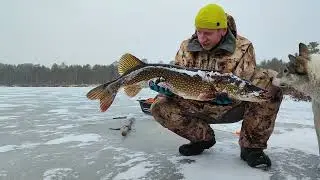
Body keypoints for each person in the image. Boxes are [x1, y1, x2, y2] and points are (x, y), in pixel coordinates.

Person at [148, 3, 283, 168]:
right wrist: (167, 90)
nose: (202, 38)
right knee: (159, 105)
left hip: (232, 107)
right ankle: (202, 138)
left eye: (208, 33)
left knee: (270, 83)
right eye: (199, 32)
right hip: (196, 104)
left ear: (223, 31)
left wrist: (229, 97)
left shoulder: (243, 47)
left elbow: (244, 84)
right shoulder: (186, 47)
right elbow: (176, 79)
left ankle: (251, 148)